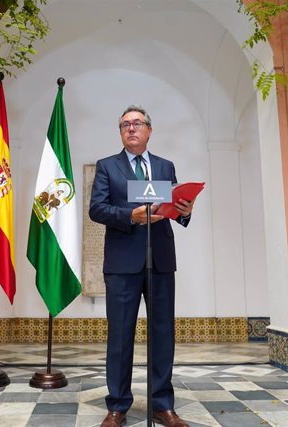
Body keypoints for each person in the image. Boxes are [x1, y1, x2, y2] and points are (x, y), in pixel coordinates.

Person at [89, 105, 193, 427]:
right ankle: (117, 406)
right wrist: (128, 217)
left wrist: (185, 209)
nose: (131, 128)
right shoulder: (108, 166)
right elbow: (97, 209)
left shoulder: (165, 166)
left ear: (149, 130)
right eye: (125, 125)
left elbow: (176, 211)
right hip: (122, 263)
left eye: (137, 123)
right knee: (120, 336)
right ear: (120, 132)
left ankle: (163, 405)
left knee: (163, 334)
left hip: (160, 260)